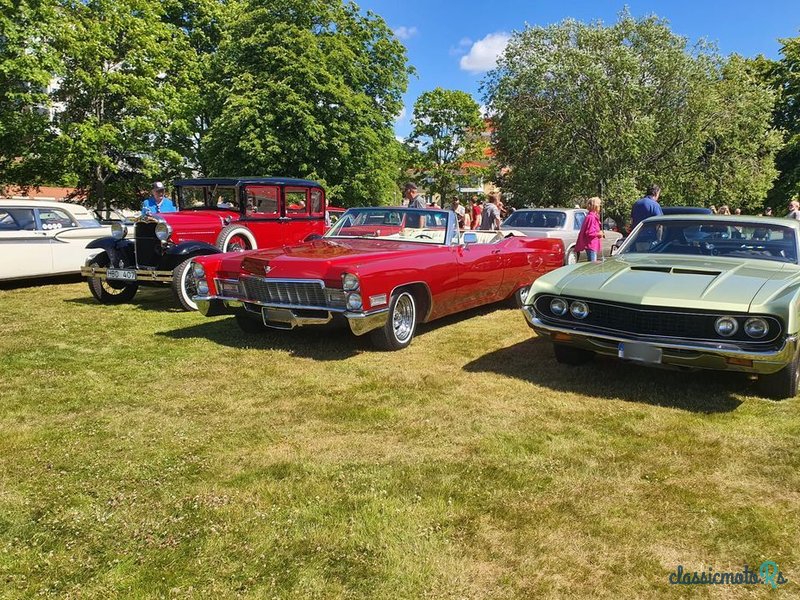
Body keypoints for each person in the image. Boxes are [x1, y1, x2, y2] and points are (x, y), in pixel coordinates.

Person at [575, 197, 604, 262]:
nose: (600, 207)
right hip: (591, 245)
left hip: (593, 245)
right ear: (595, 206)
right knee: (592, 265)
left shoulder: (592, 216)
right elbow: (589, 232)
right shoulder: (591, 217)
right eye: (599, 205)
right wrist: (599, 234)